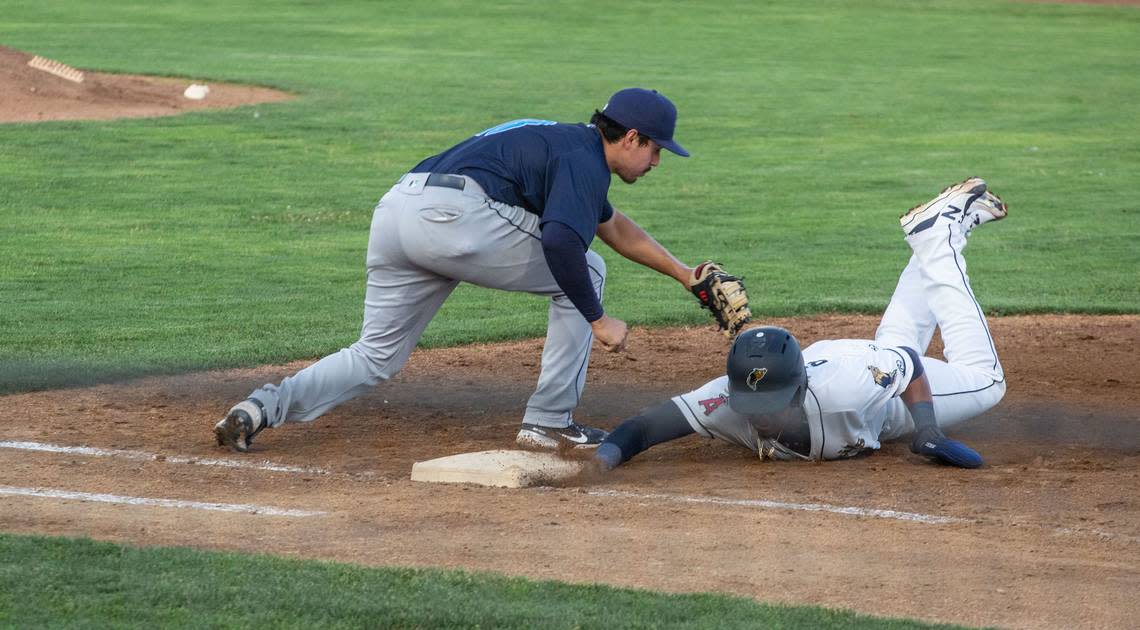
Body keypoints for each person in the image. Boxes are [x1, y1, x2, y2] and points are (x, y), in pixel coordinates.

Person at [215, 88, 705, 453]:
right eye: (657, 149)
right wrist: (599, 320)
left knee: (375, 355)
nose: (658, 161)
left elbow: (614, 227)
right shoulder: (585, 161)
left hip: (398, 210)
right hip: (455, 218)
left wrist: (685, 275)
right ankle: (549, 422)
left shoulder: (562, 143)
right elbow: (560, 241)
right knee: (586, 271)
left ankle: (261, 407)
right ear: (632, 137)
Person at [594, 178, 1009, 471]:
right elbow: (644, 428)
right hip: (864, 372)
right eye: (752, 406)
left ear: (798, 389)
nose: (761, 418)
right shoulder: (728, 400)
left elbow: (908, 365)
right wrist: (603, 462)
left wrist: (927, 429)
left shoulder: (846, 388)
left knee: (987, 382)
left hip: (876, 392)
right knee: (889, 352)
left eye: (770, 407)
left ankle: (941, 239)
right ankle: (935, 237)